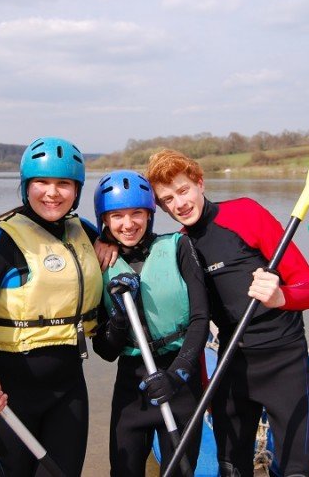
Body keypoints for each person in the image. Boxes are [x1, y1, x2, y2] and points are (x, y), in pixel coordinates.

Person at [145, 149, 309, 477]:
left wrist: (281, 295)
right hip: (232, 364)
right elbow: (195, 324)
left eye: (183, 190)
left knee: (298, 470)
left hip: (285, 361)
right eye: (168, 199)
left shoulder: (245, 214)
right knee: (230, 469)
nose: (179, 203)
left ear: (200, 183)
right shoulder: (179, 247)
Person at [0, 137, 104, 477]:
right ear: (26, 186)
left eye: (64, 183)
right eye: (42, 182)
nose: (52, 193)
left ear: (77, 190)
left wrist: (109, 245)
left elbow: (127, 246)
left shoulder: (86, 233)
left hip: (68, 392)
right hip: (6, 395)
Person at [91, 170, 209, 477]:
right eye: (116, 215)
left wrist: (177, 374)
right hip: (132, 388)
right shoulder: (101, 263)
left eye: (136, 214)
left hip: (180, 383)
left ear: (149, 215)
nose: (127, 224)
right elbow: (104, 350)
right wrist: (118, 318)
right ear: (104, 220)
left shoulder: (179, 247)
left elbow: (201, 320)